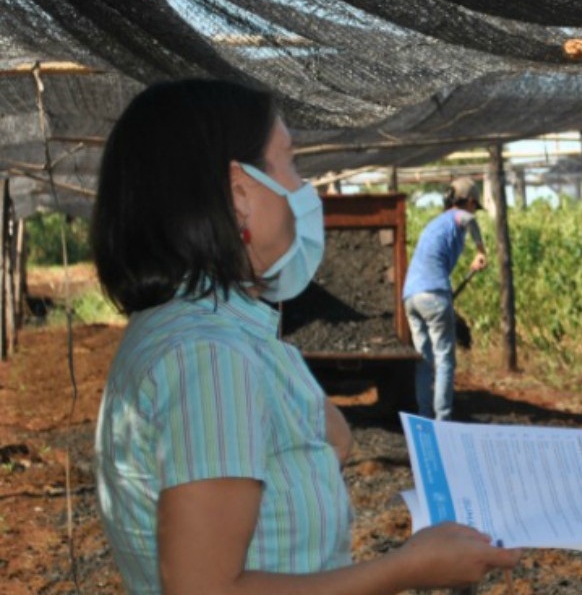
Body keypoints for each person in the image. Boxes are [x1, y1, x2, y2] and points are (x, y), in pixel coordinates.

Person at [90, 79, 518, 594]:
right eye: (290, 164)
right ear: (240, 195)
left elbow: (329, 438)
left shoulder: (211, 334)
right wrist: (406, 568)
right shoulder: (209, 356)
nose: (304, 189)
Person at [402, 178, 488, 420]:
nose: (473, 210)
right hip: (434, 294)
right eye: (474, 205)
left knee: (424, 360)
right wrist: (481, 251)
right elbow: (468, 219)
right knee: (445, 358)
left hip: (411, 297)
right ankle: (443, 420)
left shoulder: (435, 224)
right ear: (469, 202)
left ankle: (424, 414)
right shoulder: (458, 216)